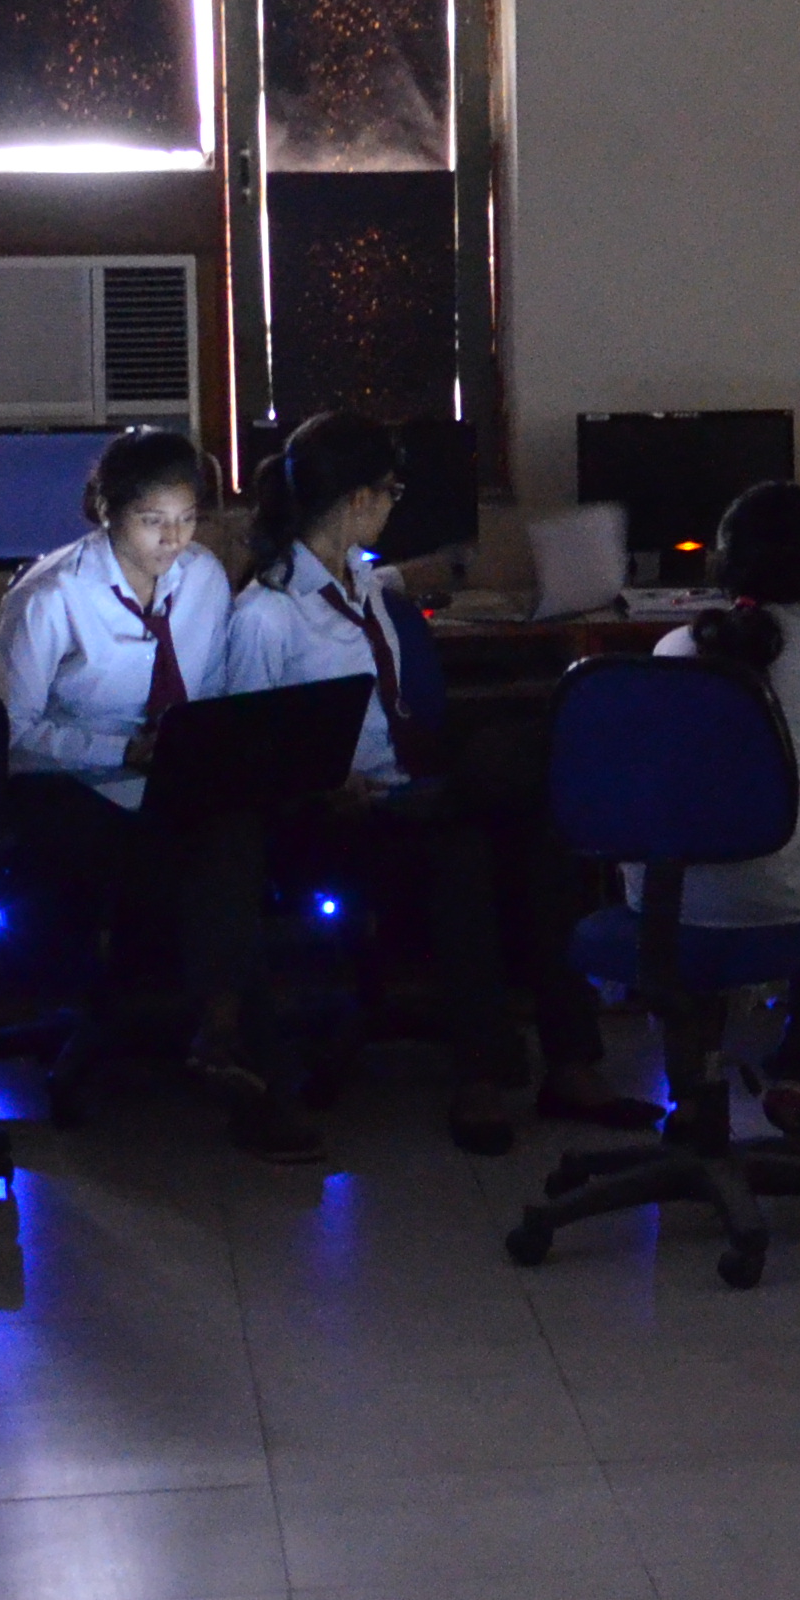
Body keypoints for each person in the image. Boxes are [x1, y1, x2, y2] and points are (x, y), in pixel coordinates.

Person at [216, 411, 610, 1154]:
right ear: (358, 499)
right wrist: (332, 784)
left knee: (539, 833)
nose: (395, 505)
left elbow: (399, 592)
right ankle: (479, 1074)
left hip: (403, 798)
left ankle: (572, 1062)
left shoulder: (361, 583)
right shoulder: (268, 615)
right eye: (391, 491)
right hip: (327, 818)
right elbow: (246, 755)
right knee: (460, 848)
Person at [0, 429, 295, 1155]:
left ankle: (221, 1032)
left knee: (234, 830)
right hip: (72, 781)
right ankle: (244, 1055)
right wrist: (120, 750)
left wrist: (203, 746)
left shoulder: (203, 578)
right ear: (107, 511)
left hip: (168, 776)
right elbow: (10, 733)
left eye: (187, 520)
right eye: (153, 521)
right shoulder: (53, 595)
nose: (173, 540)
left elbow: (209, 690)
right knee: (201, 861)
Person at [644, 482, 800, 1145]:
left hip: (662, 899)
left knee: (701, 855)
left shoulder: (671, 651)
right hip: (783, 900)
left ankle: (693, 1093)